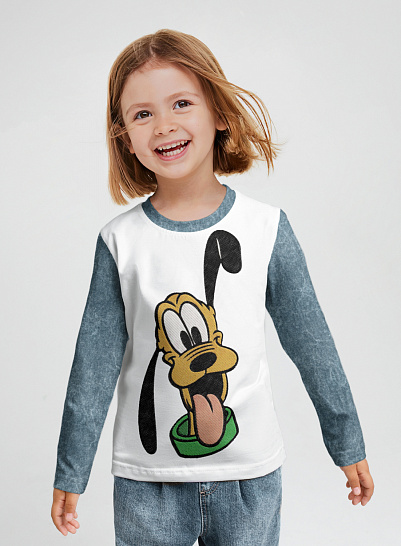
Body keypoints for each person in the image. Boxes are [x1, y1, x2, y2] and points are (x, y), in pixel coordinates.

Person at [51, 28, 374, 545]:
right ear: (125, 137)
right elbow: (92, 367)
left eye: (181, 103)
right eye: (142, 114)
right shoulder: (119, 242)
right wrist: (72, 469)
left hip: (250, 478)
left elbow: (312, 345)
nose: (164, 125)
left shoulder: (266, 228)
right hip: (147, 484)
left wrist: (346, 441)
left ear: (219, 113)